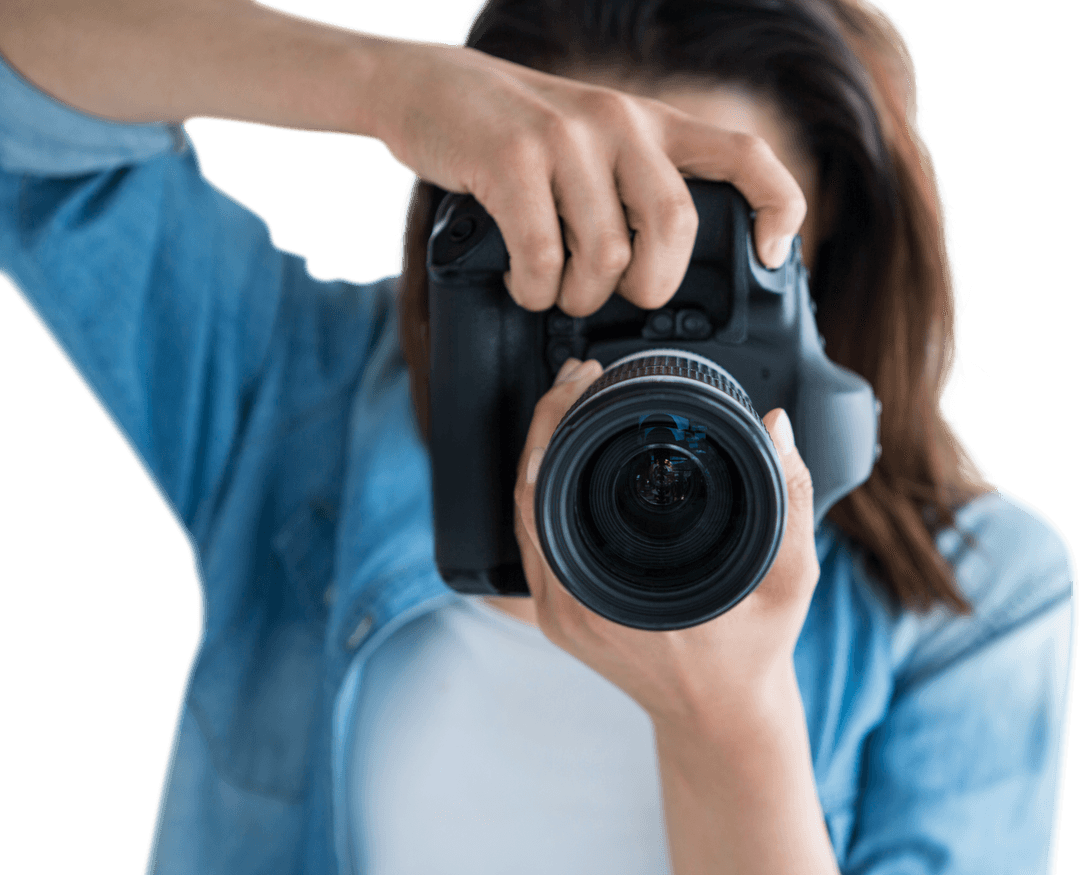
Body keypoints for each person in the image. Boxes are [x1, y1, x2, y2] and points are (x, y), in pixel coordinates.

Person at [0, 0, 1074, 873]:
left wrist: (730, 725)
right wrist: (385, 84)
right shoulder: (301, 403)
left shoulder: (975, 596)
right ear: (460, 229)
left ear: (825, 279)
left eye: (714, 261)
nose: (641, 313)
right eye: (572, 234)